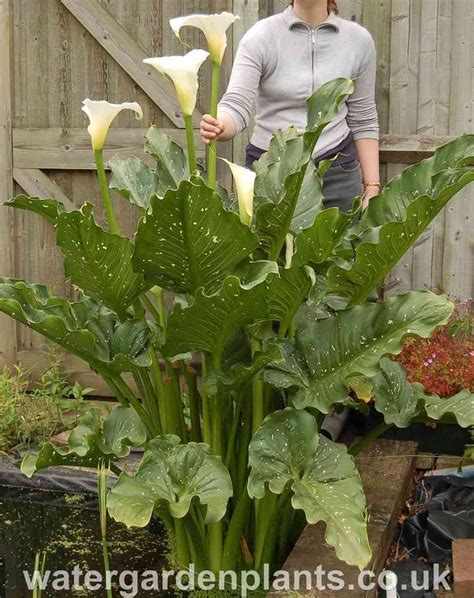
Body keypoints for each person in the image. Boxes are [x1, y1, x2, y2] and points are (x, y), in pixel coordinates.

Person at [200, 0, 380, 211]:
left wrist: (372, 186)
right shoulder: (261, 36)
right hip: (272, 173)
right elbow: (236, 105)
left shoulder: (359, 41)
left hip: (337, 175)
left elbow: (363, 119)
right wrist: (220, 124)